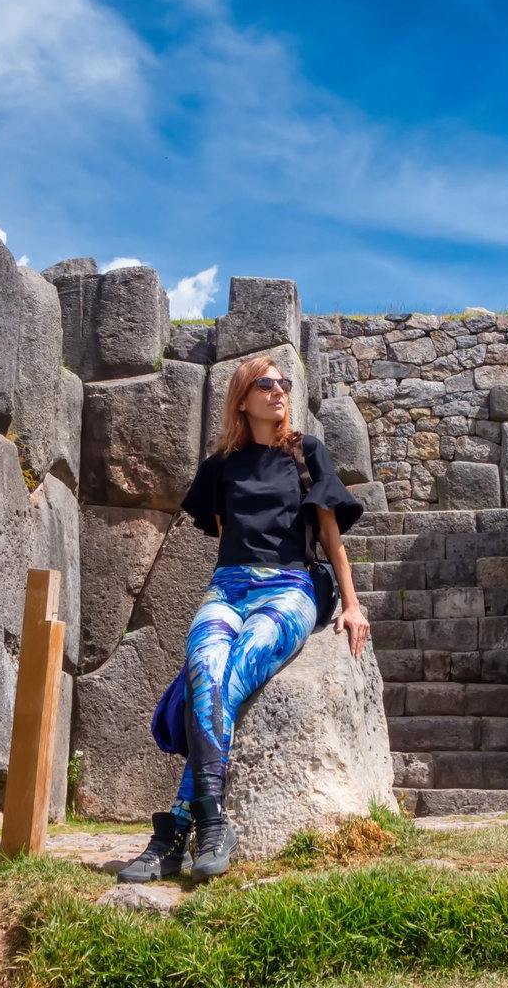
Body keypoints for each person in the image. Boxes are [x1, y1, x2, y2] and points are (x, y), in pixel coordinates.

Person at [115, 354, 369, 883]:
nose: (279, 391)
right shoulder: (219, 468)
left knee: (234, 672)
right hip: (228, 589)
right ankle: (208, 824)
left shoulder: (307, 453)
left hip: (290, 588)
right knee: (204, 668)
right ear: (242, 397)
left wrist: (351, 603)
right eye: (267, 383)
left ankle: (179, 829)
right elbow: (226, 531)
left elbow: (330, 539)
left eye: (284, 383)